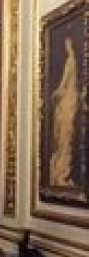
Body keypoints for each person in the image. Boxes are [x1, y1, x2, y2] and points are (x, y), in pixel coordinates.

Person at [50, 37, 79, 186]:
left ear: (70, 44)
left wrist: (57, 92)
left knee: (65, 134)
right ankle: (61, 170)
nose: (66, 46)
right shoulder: (72, 61)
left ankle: (63, 171)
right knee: (65, 134)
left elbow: (64, 83)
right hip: (70, 98)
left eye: (67, 43)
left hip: (68, 98)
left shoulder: (71, 61)